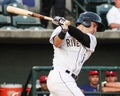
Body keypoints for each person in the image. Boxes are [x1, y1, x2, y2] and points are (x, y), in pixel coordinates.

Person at [47, 11, 105, 96]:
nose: (95, 30)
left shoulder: (92, 39)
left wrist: (67, 26)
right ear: (86, 22)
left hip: (70, 79)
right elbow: (56, 43)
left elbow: (82, 37)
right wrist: (63, 30)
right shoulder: (60, 29)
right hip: (60, 75)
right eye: (94, 26)